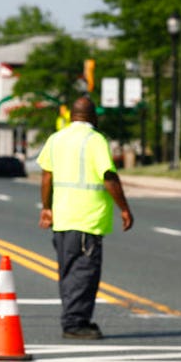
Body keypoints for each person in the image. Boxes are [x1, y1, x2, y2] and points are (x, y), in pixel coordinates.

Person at [37, 96, 134, 340]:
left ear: (71, 116)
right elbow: (108, 176)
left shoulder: (56, 139)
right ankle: (75, 323)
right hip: (87, 219)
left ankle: (73, 319)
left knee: (69, 273)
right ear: (94, 117)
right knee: (84, 273)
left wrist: (46, 207)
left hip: (62, 218)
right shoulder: (95, 140)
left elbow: (47, 177)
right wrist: (123, 207)